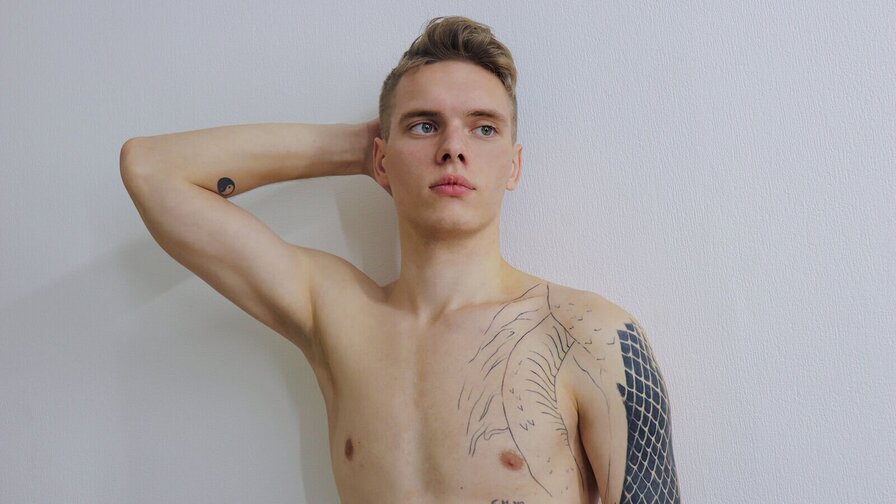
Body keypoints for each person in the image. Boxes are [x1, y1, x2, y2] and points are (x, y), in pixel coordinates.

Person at [120, 15, 680, 504]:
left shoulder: (588, 334)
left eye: (483, 128)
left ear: (513, 166)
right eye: (425, 125)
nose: (453, 148)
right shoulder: (337, 314)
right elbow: (151, 171)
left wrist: (404, 139)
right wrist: (362, 149)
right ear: (382, 161)